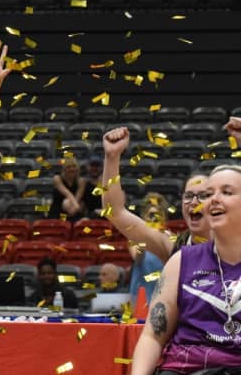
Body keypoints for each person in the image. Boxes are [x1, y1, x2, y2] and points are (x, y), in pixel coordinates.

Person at [130, 162, 241, 374]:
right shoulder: (181, 261)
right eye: (209, 194)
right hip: (186, 369)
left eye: (227, 192)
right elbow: (152, 337)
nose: (214, 199)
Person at [100, 126, 210, 262]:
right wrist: (112, 156)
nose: (194, 202)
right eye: (188, 196)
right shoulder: (172, 245)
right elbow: (115, 212)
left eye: (203, 196)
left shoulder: (234, 245)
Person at [128, 197, 168, 302]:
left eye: (157, 215)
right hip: (141, 291)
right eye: (151, 215)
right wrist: (144, 239)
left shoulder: (169, 238)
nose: (154, 218)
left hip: (163, 290)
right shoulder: (134, 238)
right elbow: (137, 258)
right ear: (145, 217)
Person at [49, 156, 88, 220]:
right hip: (58, 211)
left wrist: (74, 209)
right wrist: (76, 206)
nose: (71, 169)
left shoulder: (82, 181)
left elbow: (77, 198)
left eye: (74, 166)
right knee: (66, 202)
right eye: (68, 167)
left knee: (84, 222)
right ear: (64, 169)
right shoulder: (57, 179)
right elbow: (68, 194)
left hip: (74, 210)